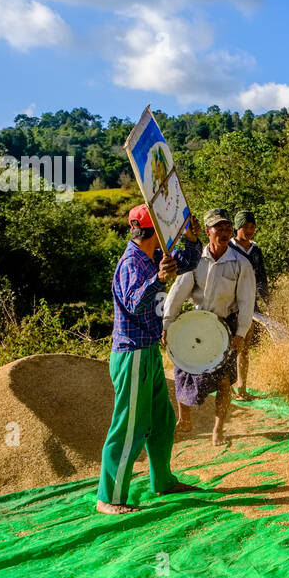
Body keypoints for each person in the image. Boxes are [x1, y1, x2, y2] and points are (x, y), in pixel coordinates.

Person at [96, 205, 202, 515]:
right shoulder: (133, 262)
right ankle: (110, 498)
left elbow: (187, 262)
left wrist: (192, 239)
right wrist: (157, 279)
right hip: (133, 355)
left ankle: (164, 481)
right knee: (130, 427)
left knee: (162, 421)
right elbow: (134, 303)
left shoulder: (151, 256)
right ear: (153, 229)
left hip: (147, 351)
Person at [163, 208, 256, 446]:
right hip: (195, 325)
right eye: (218, 229)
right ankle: (184, 420)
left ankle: (218, 430)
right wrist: (167, 323)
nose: (224, 233)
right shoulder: (195, 262)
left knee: (224, 381)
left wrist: (241, 333)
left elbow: (246, 301)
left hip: (225, 326)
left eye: (227, 229)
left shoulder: (241, 263)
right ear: (207, 232)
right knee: (183, 370)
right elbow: (176, 293)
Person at [229, 209, 268, 399]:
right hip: (227, 306)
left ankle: (242, 389)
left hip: (249, 307)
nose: (250, 230)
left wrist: (267, 306)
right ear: (237, 228)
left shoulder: (256, 250)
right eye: (246, 226)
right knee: (225, 348)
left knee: (243, 349)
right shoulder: (227, 248)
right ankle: (224, 387)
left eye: (252, 226)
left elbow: (261, 280)